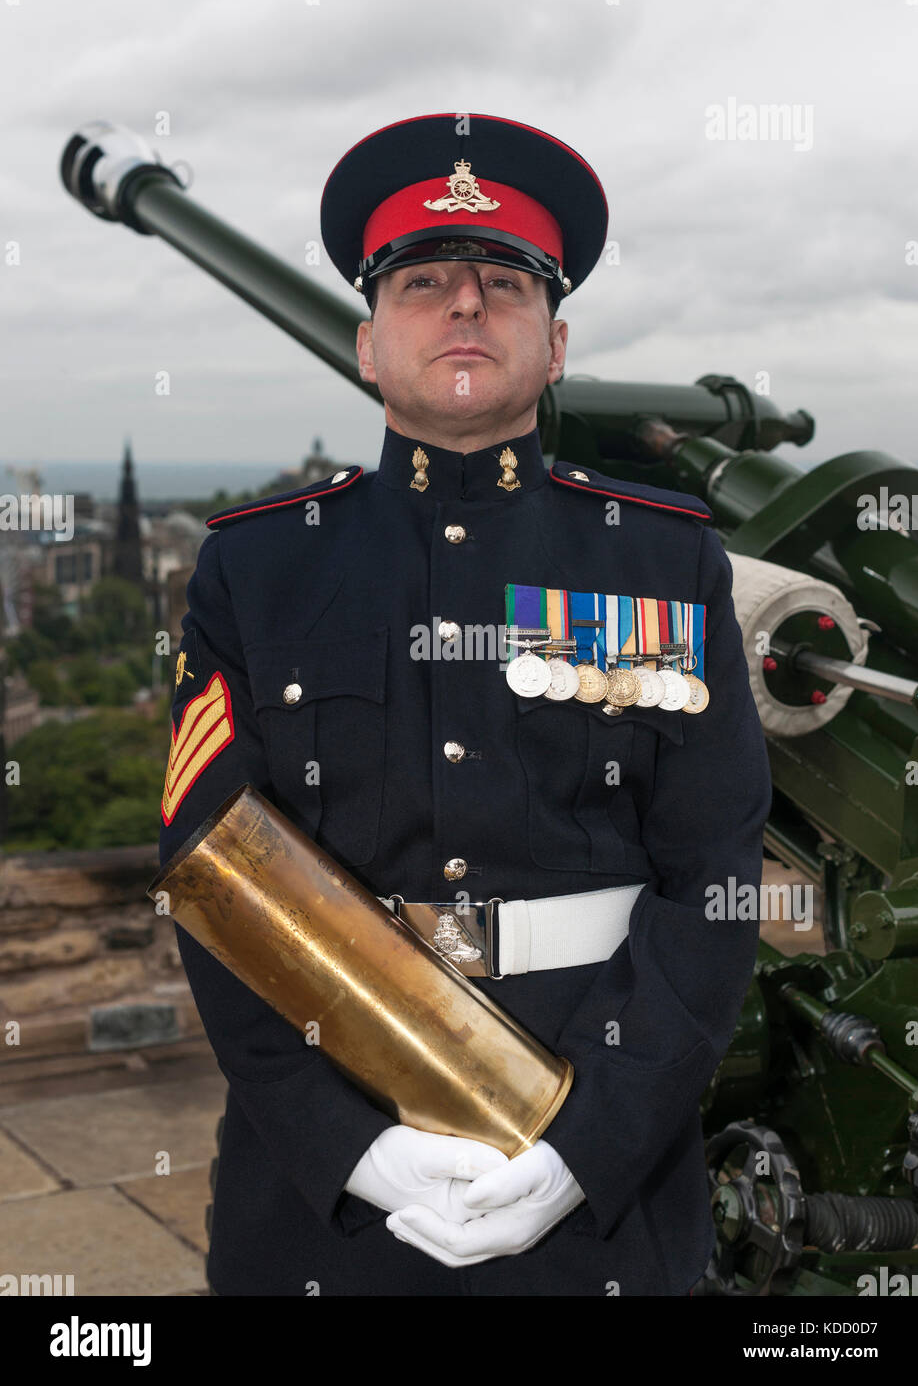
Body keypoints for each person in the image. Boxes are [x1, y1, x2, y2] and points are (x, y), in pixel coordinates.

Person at [158, 111, 772, 1297]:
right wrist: (355, 1149)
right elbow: (210, 870)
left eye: (503, 282)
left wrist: (583, 1149)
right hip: (322, 1193)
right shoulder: (259, 567)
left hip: (602, 1158)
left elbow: (715, 873)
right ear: (366, 345)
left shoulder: (660, 564)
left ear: (554, 344)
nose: (464, 305)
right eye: (424, 280)